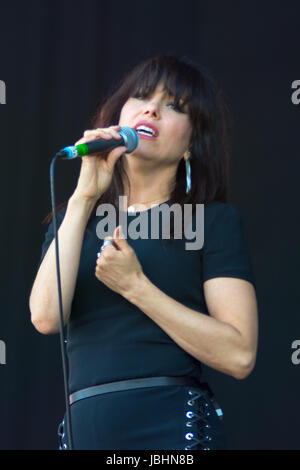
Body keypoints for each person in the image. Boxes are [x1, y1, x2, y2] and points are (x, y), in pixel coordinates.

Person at [29, 54, 258, 450]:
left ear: (191, 143)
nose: (151, 108)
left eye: (174, 106)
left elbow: (239, 354)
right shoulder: (74, 220)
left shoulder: (211, 221)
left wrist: (137, 287)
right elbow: (46, 316)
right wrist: (85, 196)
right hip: (87, 431)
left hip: (170, 430)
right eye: (140, 96)